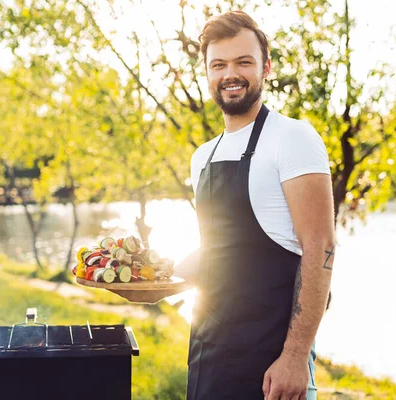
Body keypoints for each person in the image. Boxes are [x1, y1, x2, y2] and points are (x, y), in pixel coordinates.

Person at [112, 10, 335, 400]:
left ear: (266, 67)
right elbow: (220, 249)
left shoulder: (293, 138)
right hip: (209, 352)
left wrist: (296, 356)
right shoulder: (204, 156)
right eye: (219, 64)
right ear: (208, 73)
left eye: (243, 62)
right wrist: (157, 282)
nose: (230, 73)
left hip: (271, 362)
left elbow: (321, 246)